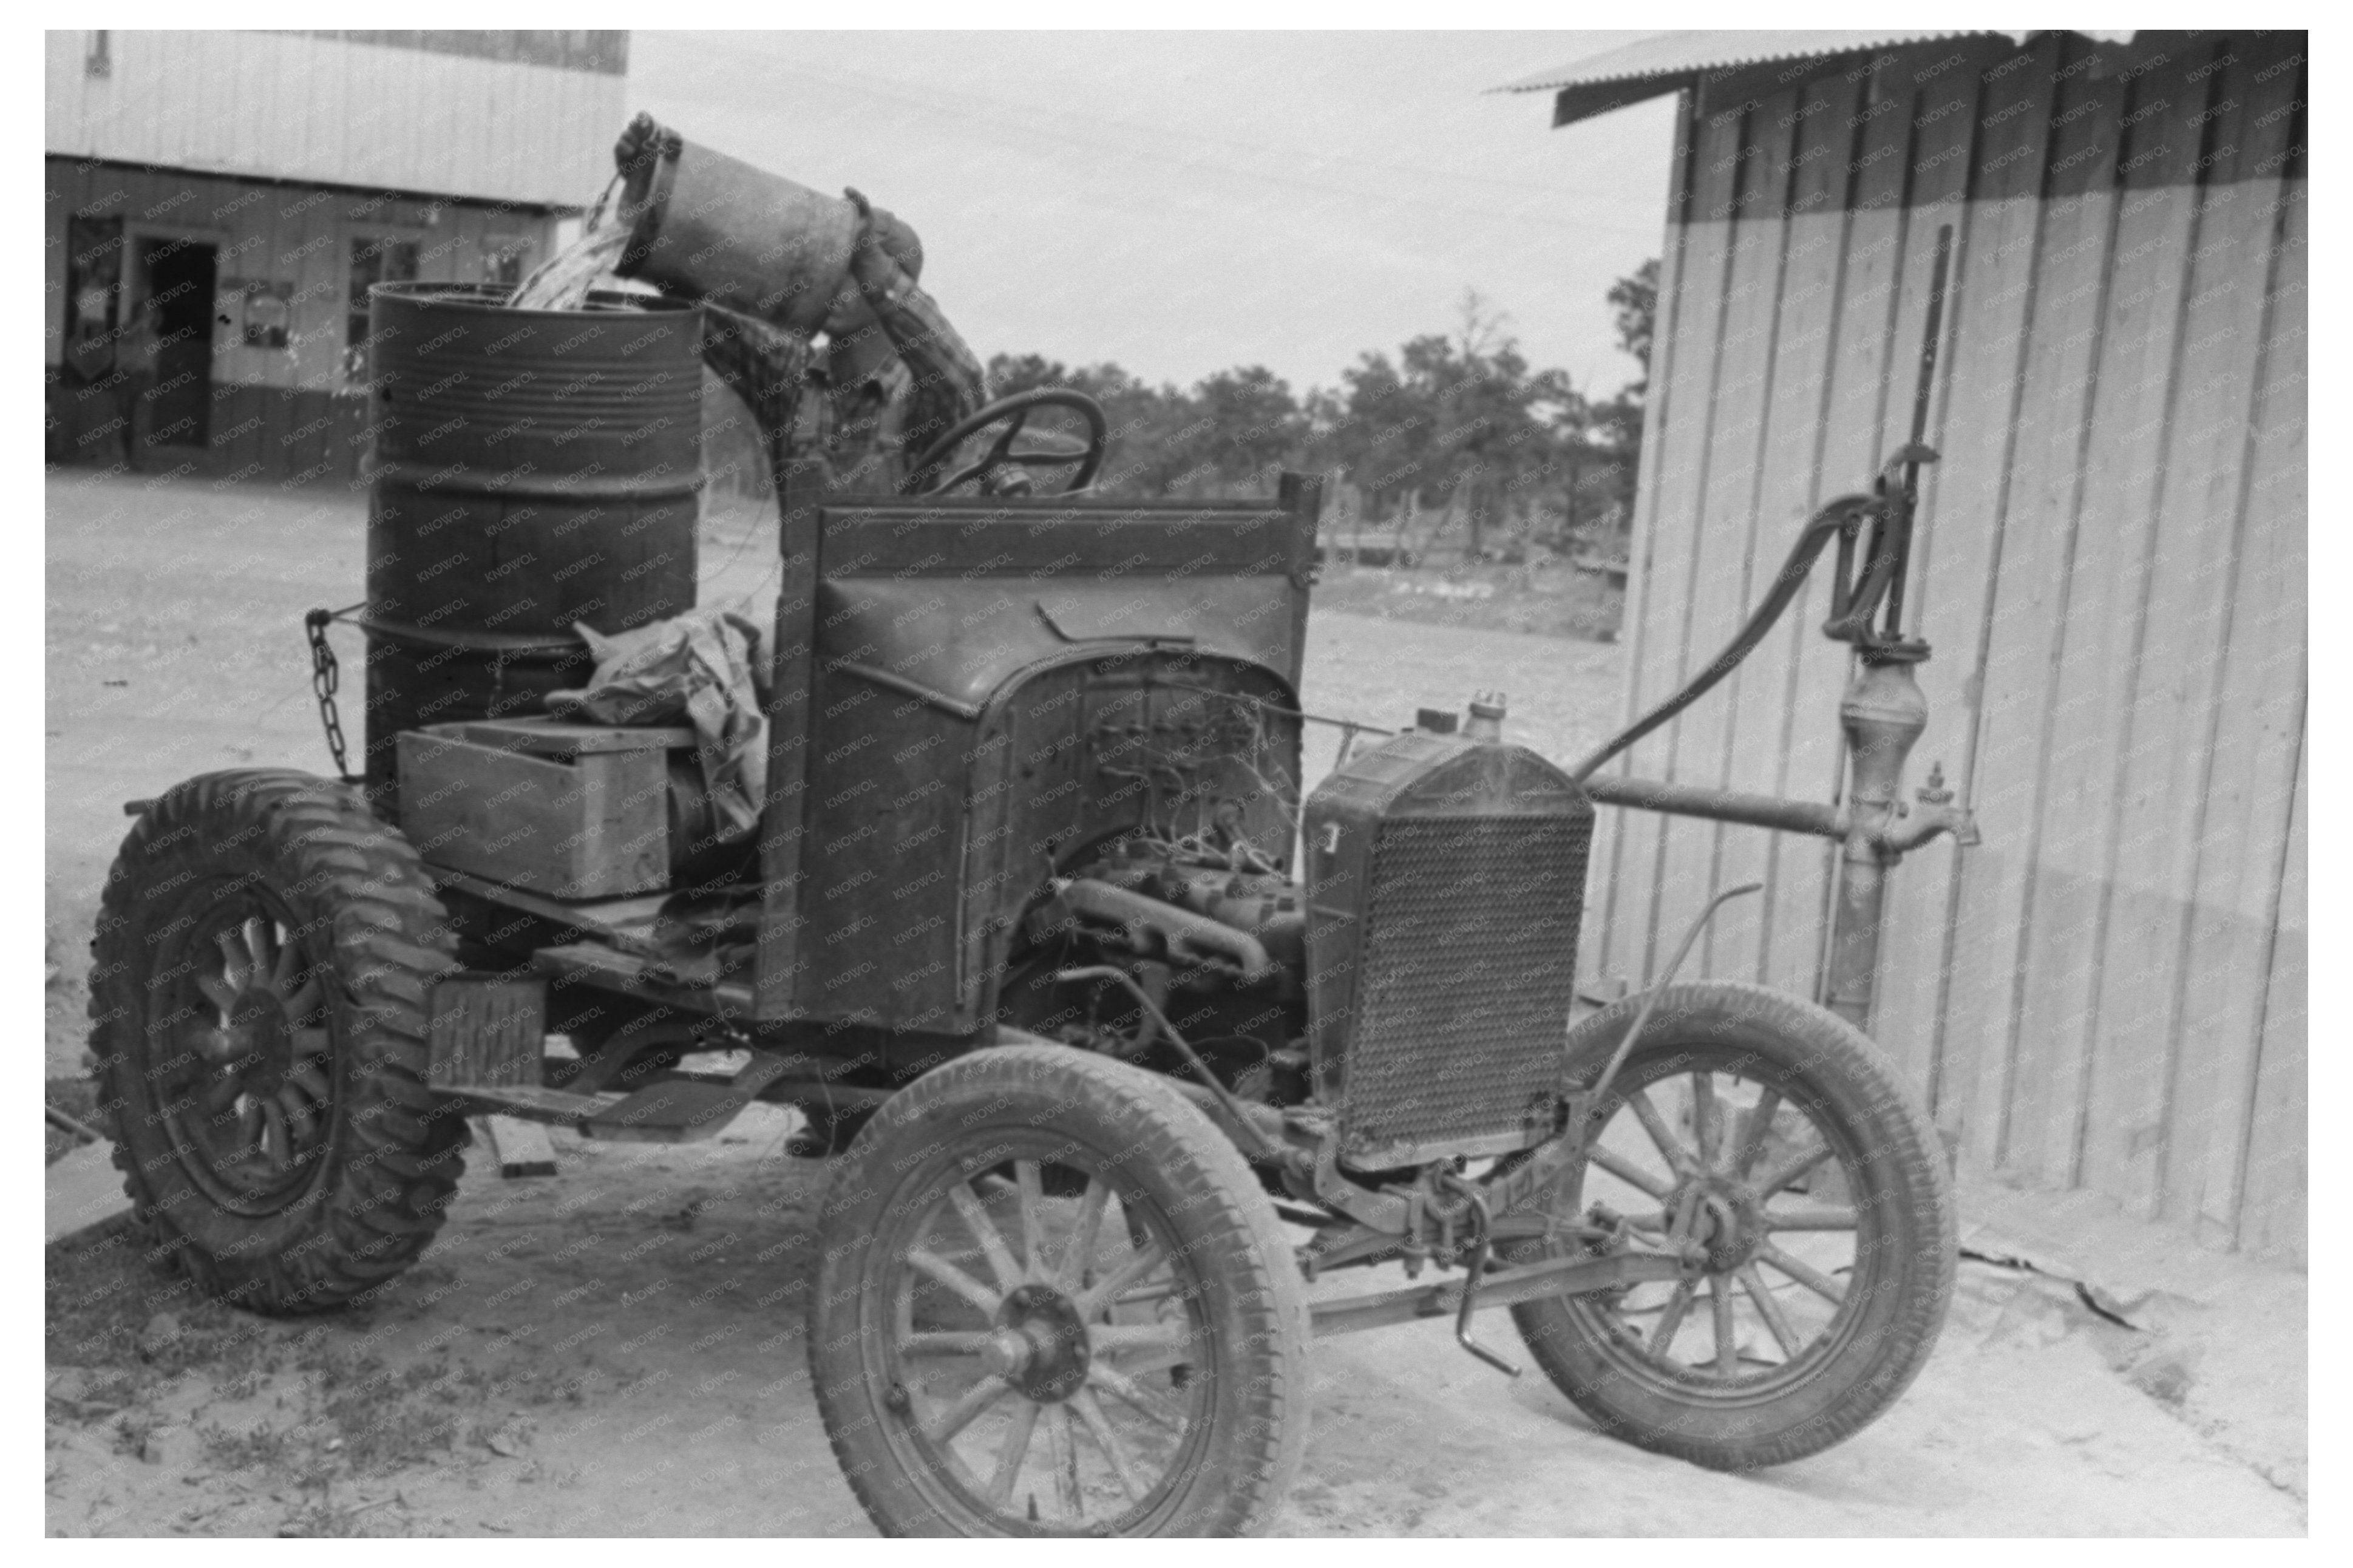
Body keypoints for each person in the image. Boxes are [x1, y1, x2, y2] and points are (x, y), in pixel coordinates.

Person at [112, 297, 161, 471]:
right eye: (144, 311)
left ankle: (138, 460)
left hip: (145, 378)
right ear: (137, 313)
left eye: (151, 312)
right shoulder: (126, 328)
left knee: (141, 420)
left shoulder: (154, 335)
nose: (147, 315)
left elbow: (153, 359)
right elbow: (123, 339)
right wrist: (138, 326)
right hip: (125, 376)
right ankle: (126, 457)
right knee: (125, 419)